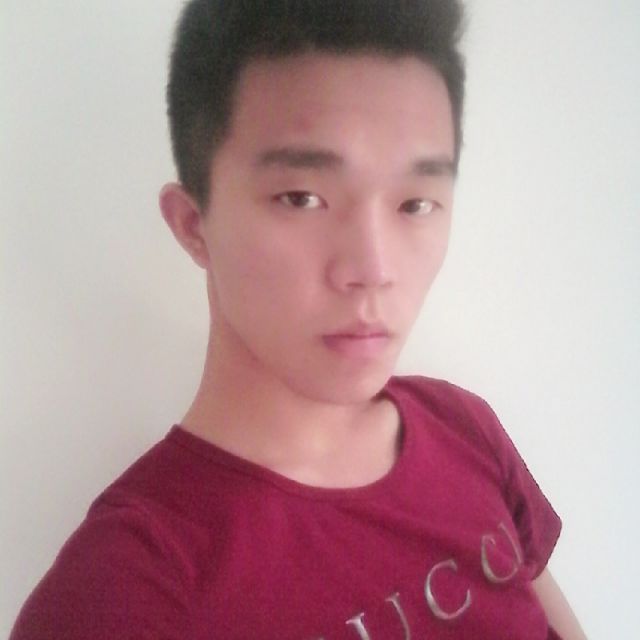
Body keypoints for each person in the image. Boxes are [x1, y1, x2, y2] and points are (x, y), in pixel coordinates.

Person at [10, 1, 587, 638]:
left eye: (416, 204)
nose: (373, 268)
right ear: (194, 225)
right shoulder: (123, 590)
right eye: (302, 198)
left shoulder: (464, 429)